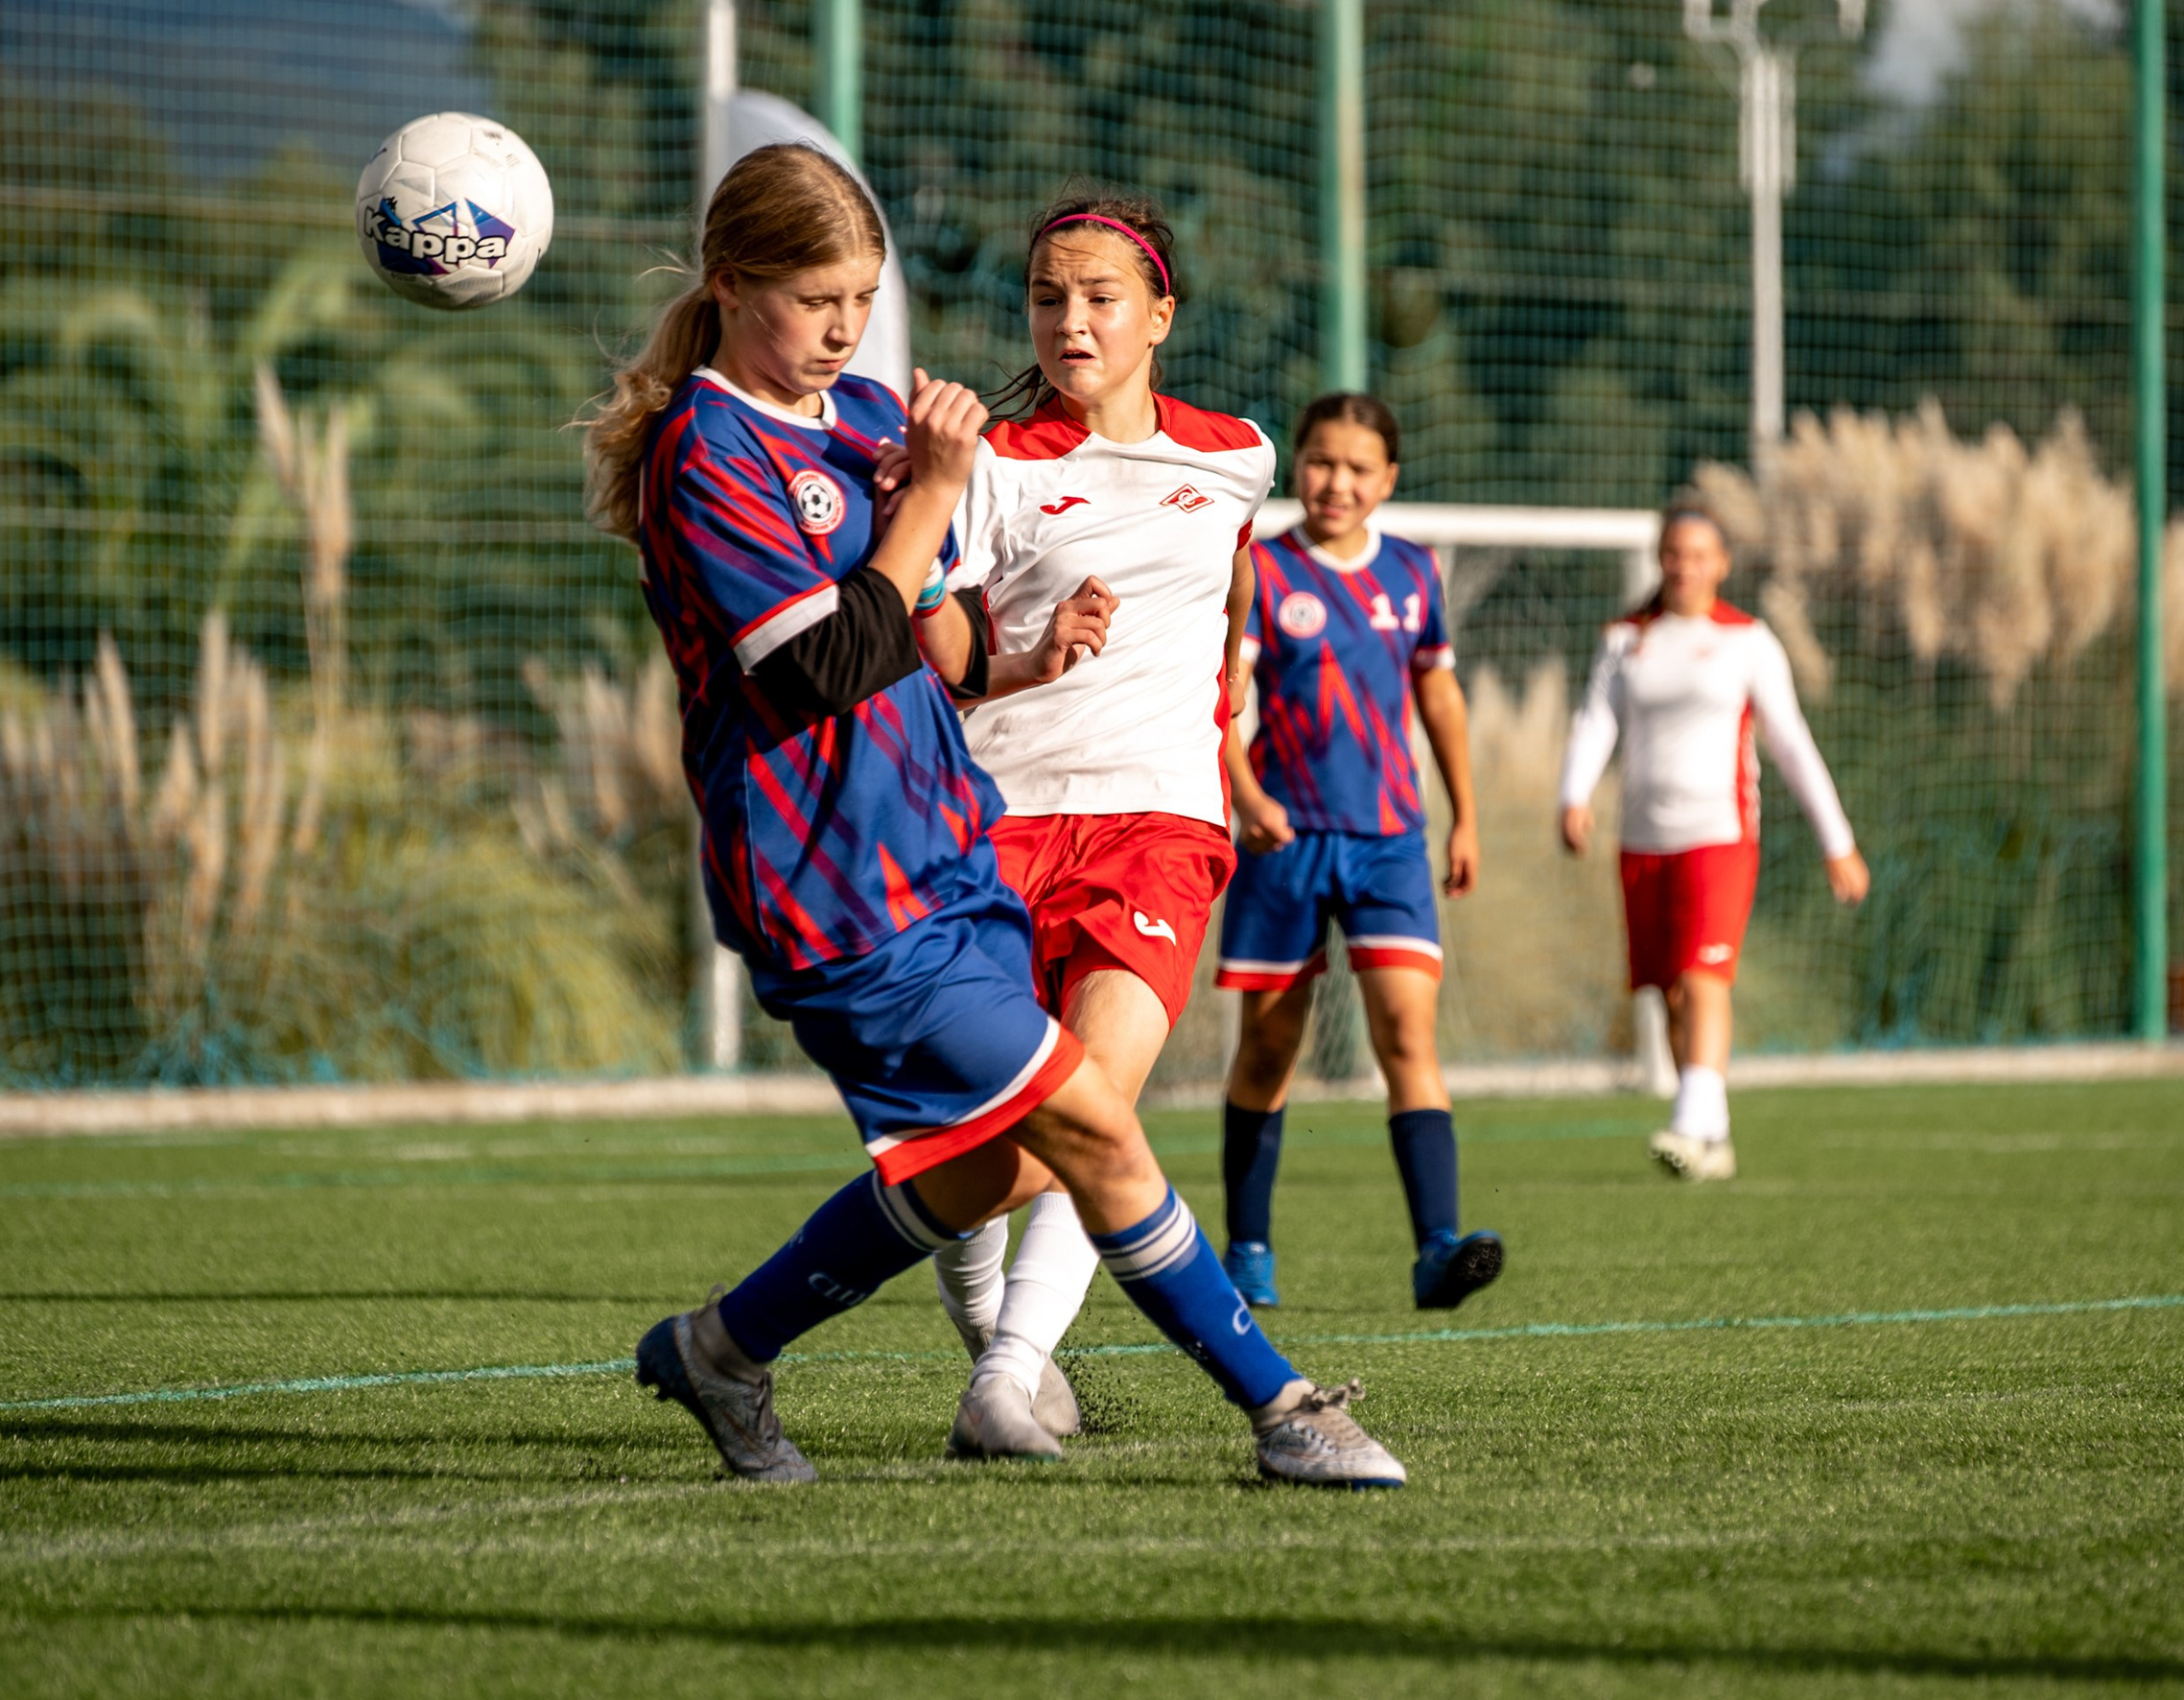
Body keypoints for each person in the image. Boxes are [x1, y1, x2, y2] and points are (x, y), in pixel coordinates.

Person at [584, 144, 1404, 1488]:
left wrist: (1008, 639)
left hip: (946, 852)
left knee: (984, 1172)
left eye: (862, 296)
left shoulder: (851, 418)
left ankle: (725, 1350)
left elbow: (937, 636)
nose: (846, 329)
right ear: (730, 288)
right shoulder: (706, 452)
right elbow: (814, 670)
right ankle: (1284, 1410)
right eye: (815, 298)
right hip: (834, 887)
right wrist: (938, 505)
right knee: (1094, 1125)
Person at [905, 191, 1275, 1462]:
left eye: (1101, 297)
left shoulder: (1239, 455)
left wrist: (1231, 683)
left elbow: (1234, 572)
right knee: (991, 1121)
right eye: (1049, 298)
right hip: (997, 827)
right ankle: (985, 1336)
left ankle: (1008, 1380)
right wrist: (1022, 647)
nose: (1073, 320)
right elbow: (942, 645)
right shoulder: (994, 464)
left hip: (1160, 822)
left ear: (1160, 316)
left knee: (1098, 1100)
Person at [1210, 392, 1503, 1312]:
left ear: (1388, 481)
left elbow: (1441, 699)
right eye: (1320, 461)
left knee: (1407, 1035)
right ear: (1297, 464)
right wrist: (1247, 798)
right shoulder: (1260, 566)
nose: (1336, 482)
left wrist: (1466, 814)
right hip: (1286, 842)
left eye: (1358, 468)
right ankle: (1249, 1251)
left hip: (1388, 844)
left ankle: (1436, 1250)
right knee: (1268, 1050)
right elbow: (1220, 695)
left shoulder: (1415, 573)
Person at [1556, 504, 1871, 1180]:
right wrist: (1573, 796)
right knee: (1669, 994)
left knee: (1704, 978)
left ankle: (1687, 1125)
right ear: (1659, 558)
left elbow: (1792, 744)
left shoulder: (1748, 640)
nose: (1684, 566)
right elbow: (1595, 724)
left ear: (1722, 564)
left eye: (1700, 555)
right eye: (1673, 553)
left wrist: (1837, 841)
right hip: (1642, 842)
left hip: (1720, 837)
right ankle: (1714, 1134)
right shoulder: (1625, 640)